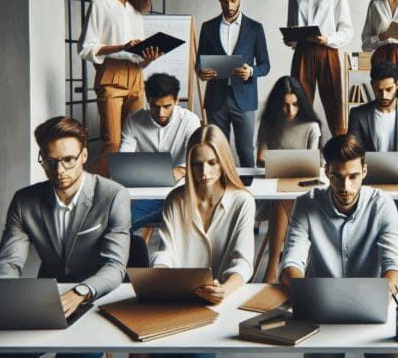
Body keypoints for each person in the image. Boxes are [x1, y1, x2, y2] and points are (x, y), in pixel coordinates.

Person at [0, 117, 130, 340]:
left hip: (96, 295)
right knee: (8, 351)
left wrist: (80, 292)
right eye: (50, 160)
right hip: (48, 296)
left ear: (84, 156)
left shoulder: (113, 195)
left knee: (76, 354)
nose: (59, 170)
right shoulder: (24, 201)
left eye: (68, 160)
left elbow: (114, 265)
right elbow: (9, 262)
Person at [279, 134, 398, 294]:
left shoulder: (382, 204)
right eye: (337, 177)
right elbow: (291, 264)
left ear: (364, 171)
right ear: (326, 172)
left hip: (369, 297)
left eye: (353, 176)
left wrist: (381, 297)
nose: (345, 187)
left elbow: (396, 267)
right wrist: (305, 294)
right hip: (318, 297)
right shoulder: (306, 204)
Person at [150, 125, 255, 306]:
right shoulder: (175, 200)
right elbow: (165, 251)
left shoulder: (242, 201)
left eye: (212, 163)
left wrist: (225, 289)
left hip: (224, 299)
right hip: (179, 300)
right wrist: (160, 274)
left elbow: (243, 262)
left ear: (223, 162)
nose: (204, 173)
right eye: (197, 164)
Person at [77, 0, 162, 176]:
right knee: (113, 143)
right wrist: (121, 46)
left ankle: (129, 192)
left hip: (136, 77)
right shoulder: (100, 4)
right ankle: (92, 188)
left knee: (135, 140)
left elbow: (138, 57)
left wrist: (149, 58)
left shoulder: (135, 13)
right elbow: (85, 48)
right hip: (111, 74)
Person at [276, 0, 352, 136]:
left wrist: (328, 39)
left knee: (335, 105)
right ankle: (302, 152)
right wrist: (290, 38)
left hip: (327, 51)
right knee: (298, 103)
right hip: (302, 52)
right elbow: (292, 29)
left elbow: (347, 30)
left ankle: (340, 152)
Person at [197, 0, 270, 168]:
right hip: (215, 97)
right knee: (216, 149)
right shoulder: (208, 27)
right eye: (224, 1)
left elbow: (265, 65)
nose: (229, 6)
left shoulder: (255, 28)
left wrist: (252, 71)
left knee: (246, 150)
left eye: (233, 0)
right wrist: (201, 72)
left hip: (244, 97)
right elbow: (199, 63)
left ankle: (249, 195)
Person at [256, 76, 322, 283]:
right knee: (281, 198)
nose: (290, 111)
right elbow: (260, 159)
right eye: (284, 106)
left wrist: (280, 162)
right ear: (277, 105)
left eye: (295, 105)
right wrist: (295, 163)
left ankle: (271, 269)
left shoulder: (312, 126)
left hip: (306, 190)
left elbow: (314, 164)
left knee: (284, 199)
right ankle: (283, 268)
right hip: (276, 189)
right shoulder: (269, 124)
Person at [118, 73, 201, 232]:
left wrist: (181, 170)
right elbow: (123, 159)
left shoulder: (190, 120)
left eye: (167, 106)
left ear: (177, 101)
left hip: (178, 189)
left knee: (121, 223)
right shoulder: (133, 120)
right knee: (115, 220)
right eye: (154, 106)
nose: (161, 113)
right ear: (148, 100)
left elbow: (196, 156)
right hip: (142, 188)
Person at [347, 61, 398, 166]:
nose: (384, 95)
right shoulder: (357, 114)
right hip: (369, 173)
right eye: (378, 90)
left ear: (397, 84)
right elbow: (352, 151)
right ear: (372, 85)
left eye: (389, 89)